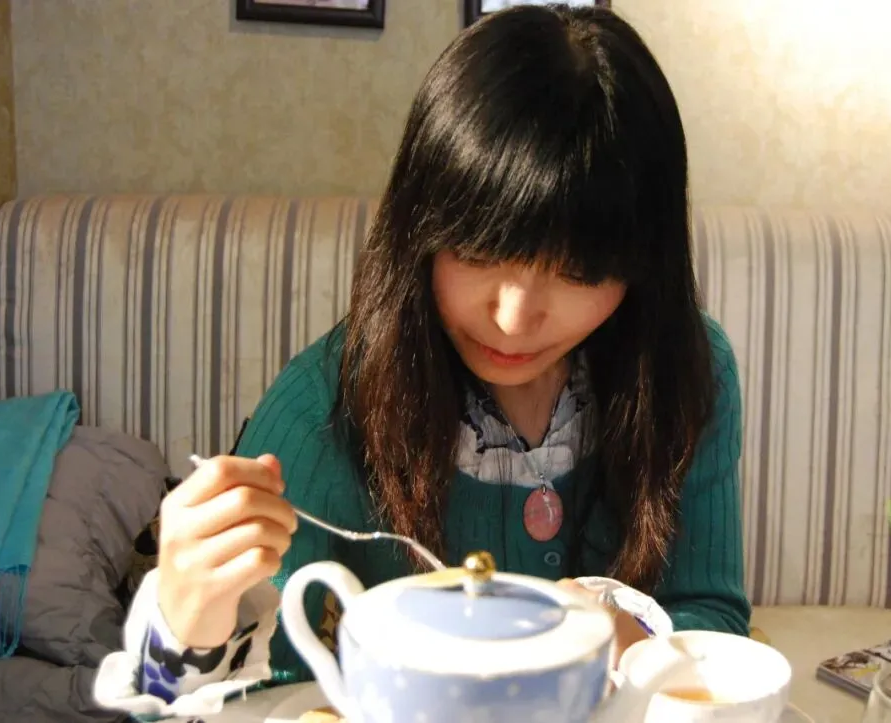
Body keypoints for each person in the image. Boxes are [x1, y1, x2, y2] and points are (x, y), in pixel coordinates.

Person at [96, 3, 750, 715]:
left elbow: (712, 612)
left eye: (578, 273)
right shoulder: (320, 415)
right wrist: (184, 627)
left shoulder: (687, 373)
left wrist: (625, 637)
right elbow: (254, 696)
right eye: (479, 250)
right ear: (419, 229)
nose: (514, 318)